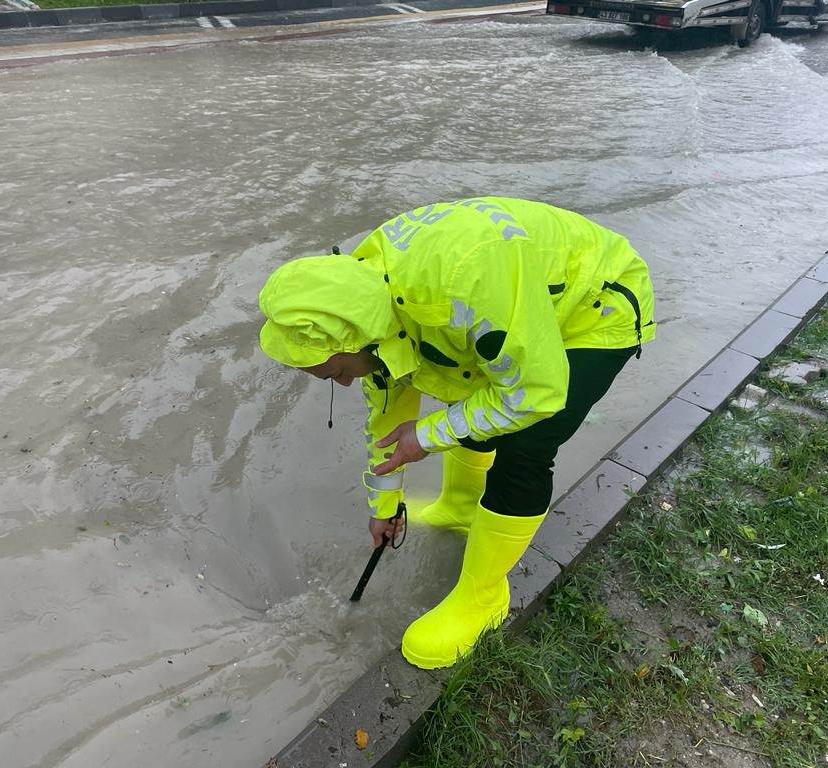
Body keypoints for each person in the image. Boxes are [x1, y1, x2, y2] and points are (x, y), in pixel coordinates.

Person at [258, 196, 655, 670]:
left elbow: (532, 394)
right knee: (466, 394)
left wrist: (426, 436)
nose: (344, 382)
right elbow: (386, 418)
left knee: (527, 440)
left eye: (339, 371)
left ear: (359, 340)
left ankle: (484, 597)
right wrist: (384, 508)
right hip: (513, 306)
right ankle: (463, 507)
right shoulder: (363, 295)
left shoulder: (459, 289)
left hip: (594, 304)